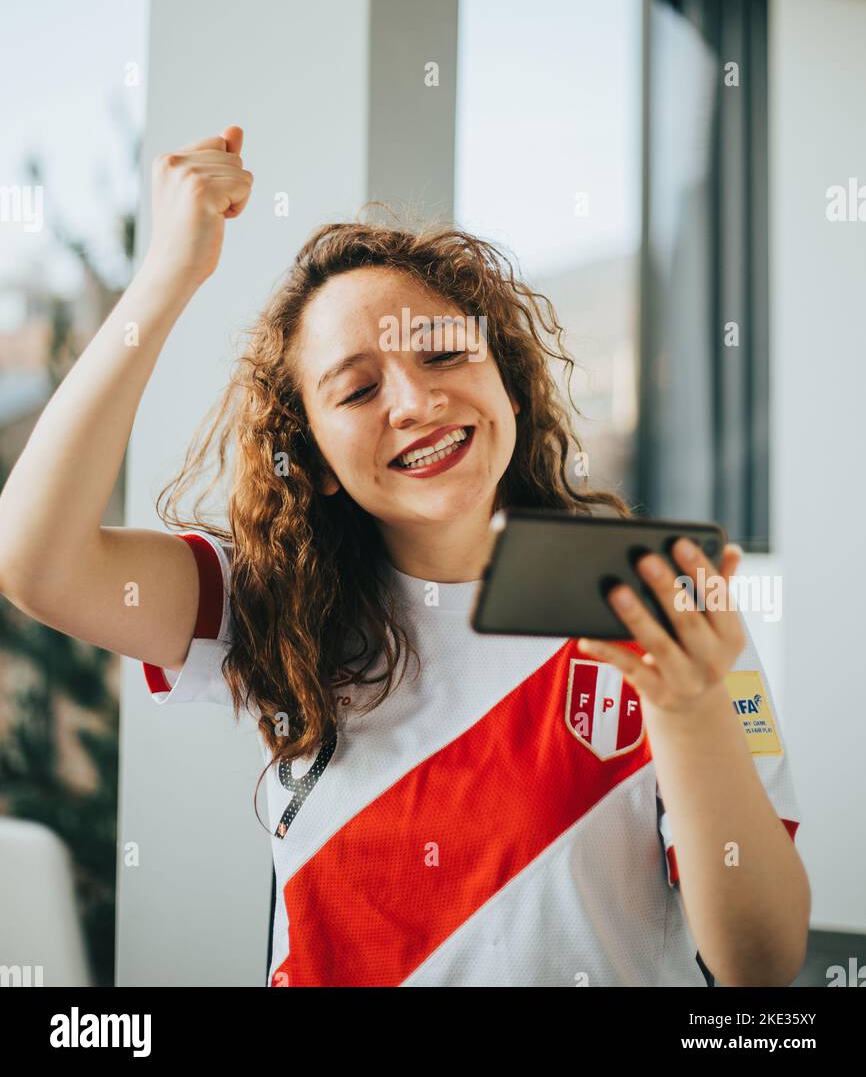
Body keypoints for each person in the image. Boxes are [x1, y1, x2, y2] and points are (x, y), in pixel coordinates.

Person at [0, 126, 810, 988]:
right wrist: (166, 275)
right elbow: (36, 561)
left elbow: (760, 968)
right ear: (311, 463)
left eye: (444, 353)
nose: (417, 400)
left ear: (506, 377)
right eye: (357, 388)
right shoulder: (270, 600)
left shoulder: (659, 608)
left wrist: (687, 710)